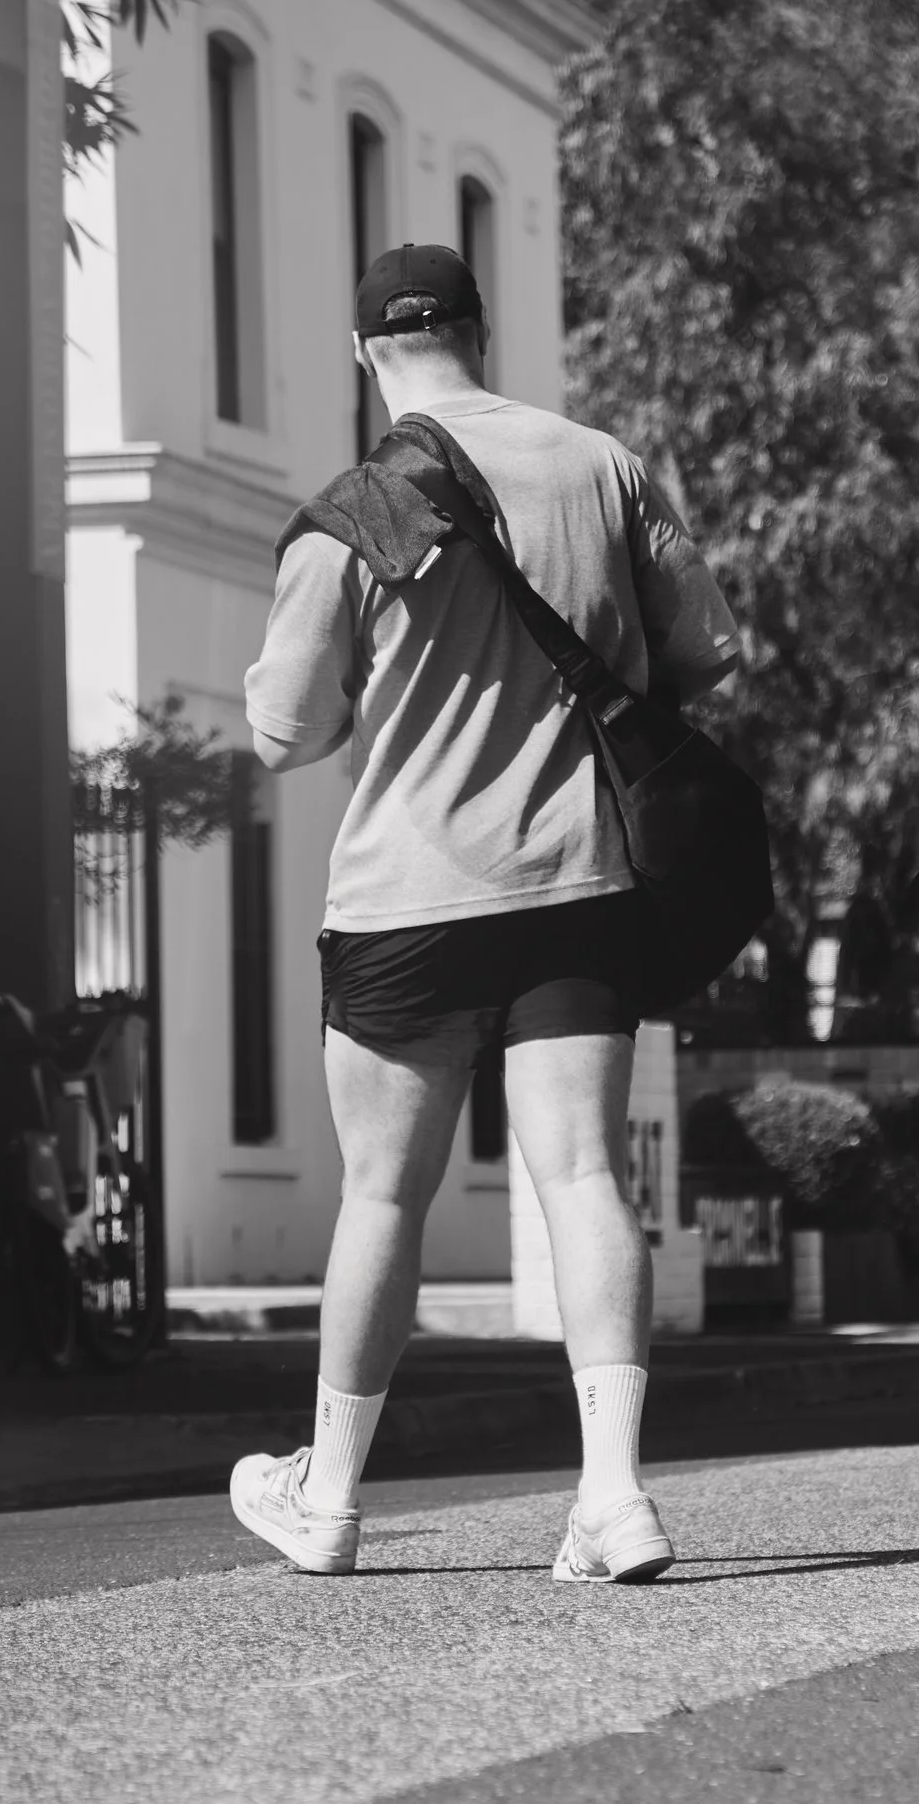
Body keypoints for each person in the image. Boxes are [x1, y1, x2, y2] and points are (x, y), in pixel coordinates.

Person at [231, 241, 743, 1585]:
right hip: (577, 881)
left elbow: (284, 731)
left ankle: (329, 1500)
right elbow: (711, 652)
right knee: (584, 1174)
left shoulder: (352, 508)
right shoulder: (603, 464)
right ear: (477, 330)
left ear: (367, 358)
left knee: (382, 1198)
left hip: (404, 900)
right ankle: (615, 1495)